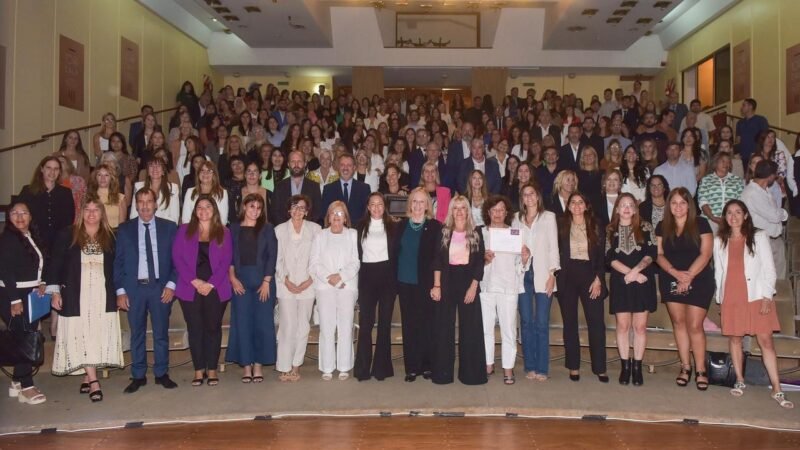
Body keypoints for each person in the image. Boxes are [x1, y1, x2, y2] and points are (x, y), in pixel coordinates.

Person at [714, 200, 793, 409]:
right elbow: (719, 272)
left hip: (757, 295)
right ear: (725, 217)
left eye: (738, 212)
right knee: (735, 339)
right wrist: (720, 298)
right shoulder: (719, 240)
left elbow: (770, 269)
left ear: (746, 215)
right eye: (729, 213)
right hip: (731, 295)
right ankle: (739, 379)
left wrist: (767, 296)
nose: (733, 216)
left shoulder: (758, 236)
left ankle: (777, 388)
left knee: (766, 341)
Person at [49, 197, 123, 402]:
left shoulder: (111, 236)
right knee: (81, 332)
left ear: (102, 214)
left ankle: (86, 374)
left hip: (102, 293)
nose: (91, 214)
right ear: (81, 213)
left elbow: (117, 267)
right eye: (87, 210)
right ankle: (93, 381)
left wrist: (119, 292)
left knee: (94, 334)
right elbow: (55, 264)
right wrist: (55, 291)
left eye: (96, 210)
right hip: (76, 293)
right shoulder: (68, 234)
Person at [114, 188, 179, 393]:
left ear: (155, 204)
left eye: (148, 201)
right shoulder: (125, 229)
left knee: (161, 334)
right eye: (140, 202)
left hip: (160, 288)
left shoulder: (169, 228)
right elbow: (118, 263)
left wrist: (171, 285)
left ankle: (161, 373)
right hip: (135, 289)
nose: (144, 206)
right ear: (135, 204)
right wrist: (120, 291)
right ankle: (138, 375)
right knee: (137, 334)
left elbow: (178, 261)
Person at [655, 187, 714, 390]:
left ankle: (700, 370)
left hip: (699, 278)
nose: (678, 207)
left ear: (689, 204)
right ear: (668, 206)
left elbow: (706, 254)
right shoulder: (662, 226)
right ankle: (685, 367)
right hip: (671, 278)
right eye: (674, 203)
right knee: (679, 323)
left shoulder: (701, 223)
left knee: (695, 326)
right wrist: (676, 274)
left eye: (682, 202)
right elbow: (659, 254)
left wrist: (688, 276)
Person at [173, 196, 233, 387]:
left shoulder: (224, 232)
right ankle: (199, 370)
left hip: (216, 288)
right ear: (194, 210)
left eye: (208, 206)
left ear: (214, 210)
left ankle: (212, 369)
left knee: (212, 328)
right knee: (195, 329)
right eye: (200, 207)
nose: (204, 210)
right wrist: (195, 281)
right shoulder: (184, 230)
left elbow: (226, 261)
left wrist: (210, 284)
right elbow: (177, 258)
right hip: (189, 287)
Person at [430, 195, 487, 385]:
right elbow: (437, 260)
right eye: (456, 208)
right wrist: (437, 286)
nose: (460, 211)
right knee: (443, 328)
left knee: (470, 329)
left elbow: (479, 262)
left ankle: (471, 375)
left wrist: (473, 286)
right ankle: (442, 374)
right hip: (447, 280)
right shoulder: (444, 231)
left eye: (463, 208)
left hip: (468, 282)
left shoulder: (476, 232)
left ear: (468, 211)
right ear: (451, 211)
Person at [0, 201, 50, 405]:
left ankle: (17, 383)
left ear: (30, 216)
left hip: (31, 292)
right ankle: (26, 386)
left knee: (26, 336)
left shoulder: (30, 236)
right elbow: (5, 270)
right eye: (15, 213)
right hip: (13, 294)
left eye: (24, 213)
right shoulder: (8, 239)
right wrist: (14, 299)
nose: (20, 217)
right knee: (23, 339)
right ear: (8, 217)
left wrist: (42, 282)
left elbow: (38, 264)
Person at [605, 193, 657, 386]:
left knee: (640, 327)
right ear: (617, 209)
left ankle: (637, 366)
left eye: (630, 205)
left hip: (643, 281)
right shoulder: (610, 229)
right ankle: (625, 366)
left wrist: (636, 272)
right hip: (622, 282)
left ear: (635, 209)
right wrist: (630, 274)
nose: (626, 208)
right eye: (622, 205)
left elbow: (651, 254)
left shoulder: (645, 227)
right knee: (623, 326)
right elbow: (609, 257)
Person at [227, 193, 278, 384]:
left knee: (262, 324)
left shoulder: (267, 228)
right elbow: (229, 258)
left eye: (258, 207)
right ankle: (246, 366)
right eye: (251, 207)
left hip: (263, 283)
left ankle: (258, 365)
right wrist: (232, 278)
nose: (255, 211)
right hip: (240, 283)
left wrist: (266, 281)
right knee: (243, 324)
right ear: (244, 207)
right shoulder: (233, 229)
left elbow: (272, 256)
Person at [393, 188, 442, 382]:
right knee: (409, 325)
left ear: (428, 205)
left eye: (422, 202)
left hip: (426, 283)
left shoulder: (435, 226)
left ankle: (427, 365)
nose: (418, 205)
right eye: (415, 201)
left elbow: (438, 257)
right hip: (404, 283)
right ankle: (411, 367)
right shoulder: (400, 225)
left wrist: (437, 284)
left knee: (427, 325)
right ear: (410, 204)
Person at [310, 201, 360, 380]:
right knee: (327, 327)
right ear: (328, 217)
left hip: (347, 287)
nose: (337, 217)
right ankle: (327, 367)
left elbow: (355, 262)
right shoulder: (320, 236)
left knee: (346, 326)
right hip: (324, 287)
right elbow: (314, 263)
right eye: (333, 213)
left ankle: (345, 366)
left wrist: (340, 277)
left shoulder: (353, 235)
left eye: (340, 214)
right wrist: (329, 278)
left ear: (346, 218)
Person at [514, 183, 559, 381]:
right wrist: (522, 258)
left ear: (538, 196)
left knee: (541, 322)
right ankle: (529, 366)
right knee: (526, 321)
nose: (529, 197)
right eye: (525, 194)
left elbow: (553, 248)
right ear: (522, 198)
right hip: (523, 274)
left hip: (543, 274)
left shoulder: (549, 217)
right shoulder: (516, 219)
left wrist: (552, 275)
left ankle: (542, 368)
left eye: (532, 193)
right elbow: (514, 250)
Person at [479, 195, 526, 385]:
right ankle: (488, 364)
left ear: (507, 213)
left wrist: (524, 258)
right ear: (488, 212)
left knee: (509, 331)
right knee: (486, 329)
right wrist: (483, 260)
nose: (497, 213)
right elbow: (472, 263)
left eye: (501, 210)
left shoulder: (515, 233)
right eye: (494, 210)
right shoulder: (480, 233)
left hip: (509, 287)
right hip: (486, 286)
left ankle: (508, 368)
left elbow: (520, 264)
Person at [275, 195, 321, 382]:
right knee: (288, 325)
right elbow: (276, 259)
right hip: (285, 285)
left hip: (307, 286)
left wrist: (308, 281)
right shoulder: (279, 230)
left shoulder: (316, 230)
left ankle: (296, 366)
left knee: (303, 326)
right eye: (295, 207)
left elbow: (318, 258)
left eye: (302, 208)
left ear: (307, 212)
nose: (298, 211)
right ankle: (284, 366)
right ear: (289, 210)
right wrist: (286, 280)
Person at [353, 193, 397, 381]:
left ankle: (382, 368)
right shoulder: (359, 227)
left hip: (388, 277)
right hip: (367, 277)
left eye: (380, 204)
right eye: (373, 204)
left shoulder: (394, 226)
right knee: (366, 323)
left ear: (384, 207)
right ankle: (362, 368)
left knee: (385, 323)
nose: (377, 207)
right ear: (368, 207)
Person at [741, 160, 788, 279]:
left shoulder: (764, 190)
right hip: (763, 241)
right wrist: (784, 213)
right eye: (775, 174)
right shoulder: (753, 192)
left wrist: (779, 213)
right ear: (770, 176)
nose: (776, 177)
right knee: (767, 279)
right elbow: (774, 215)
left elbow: (774, 214)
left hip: (773, 240)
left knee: (778, 280)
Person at [697, 152, 745, 235]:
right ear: (715, 163)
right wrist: (713, 218)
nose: (726, 164)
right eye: (723, 161)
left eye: (728, 162)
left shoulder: (737, 180)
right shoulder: (706, 180)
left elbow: (740, 202)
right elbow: (703, 202)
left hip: (731, 221)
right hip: (709, 221)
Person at [271, 150, 322, 224]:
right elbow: (275, 212)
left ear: (305, 164)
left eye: (299, 161)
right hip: (284, 230)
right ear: (288, 164)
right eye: (293, 161)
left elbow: (317, 211)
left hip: (308, 230)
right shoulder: (279, 186)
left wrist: (305, 227)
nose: (296, 165)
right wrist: (287, 227)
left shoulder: (314, 187)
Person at [322, 153, 371, 223]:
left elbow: (367, 215)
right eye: (342, 165)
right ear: (338, 167)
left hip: (358, 231)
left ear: (354, 168)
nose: (345, 168)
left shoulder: (364, 189)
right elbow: (324, 215)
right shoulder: (328, 189)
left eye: (349, 165)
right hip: (335, 231)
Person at [131, 159, 181, 224]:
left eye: (158, 166)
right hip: (143, 226)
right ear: (148, 172)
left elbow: (174, 217)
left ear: (163, 171)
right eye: (151, 166)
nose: (155, 168)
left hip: (165, 228)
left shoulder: (173, 188)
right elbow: (133, 215)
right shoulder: (138, 186)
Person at [181, 161, 230, 225]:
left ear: (214, 174)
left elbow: (223, 220)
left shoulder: (222, 192)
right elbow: (186, 218)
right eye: (202, 170)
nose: (205, 173)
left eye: (209, 171)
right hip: (193, 230)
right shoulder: (190, 192)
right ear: (198, 174)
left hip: (215, 230)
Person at [88, 163, 127, 229]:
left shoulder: (120, 198)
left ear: (111, 178)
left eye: (106, 175)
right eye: (99, 175)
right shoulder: (89, 197)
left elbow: (122, 224)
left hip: (115, 234)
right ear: (95, 177)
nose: (103, 178)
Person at [735, 98, 769, 167]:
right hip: (743, 156)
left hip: (757, 155)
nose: (741, 108)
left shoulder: (761, 120)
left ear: (750, 106)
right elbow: (738, 139)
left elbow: (765, 137)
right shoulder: (740, 123)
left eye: (744, 105)